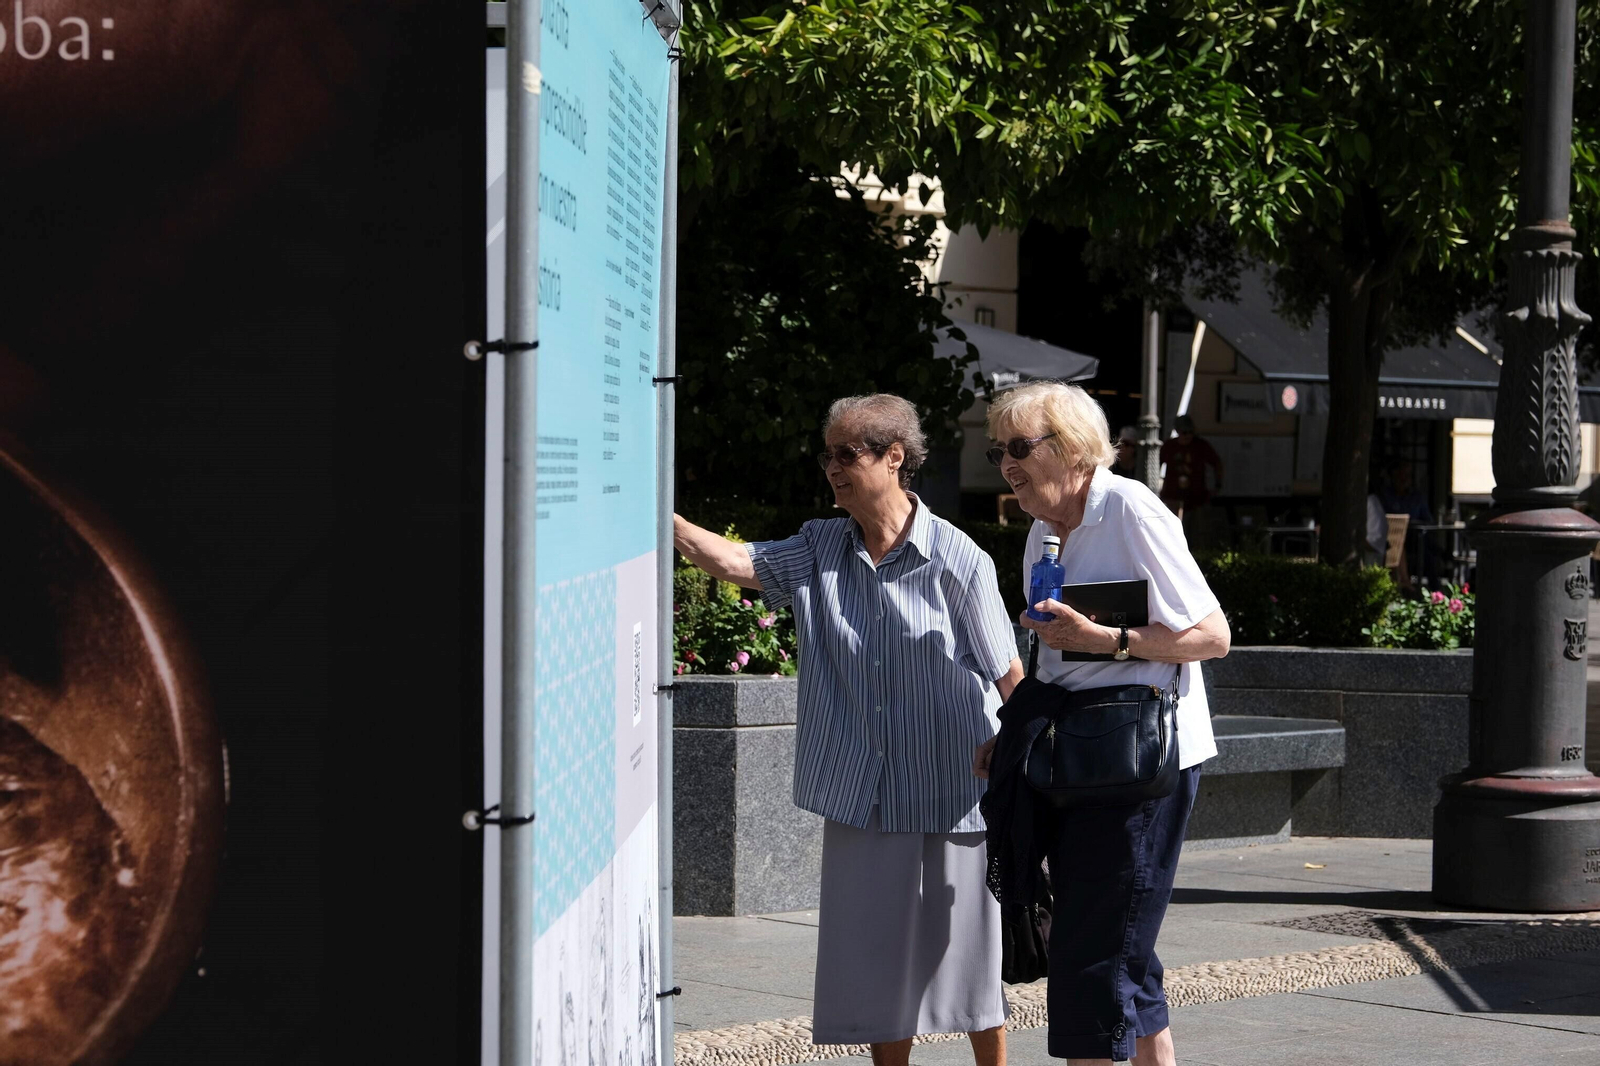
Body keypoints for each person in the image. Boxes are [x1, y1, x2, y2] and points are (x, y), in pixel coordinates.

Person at [673, 393, 1023, 1066]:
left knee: (971, 959)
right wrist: (668, 518)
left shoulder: (957, 558)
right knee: (874, 959)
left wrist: (1020, 747)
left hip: (953, 785)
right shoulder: (819, 545)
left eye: (847, 454)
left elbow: (1009, 675)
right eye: (827, 454)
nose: (831, 468)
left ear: (895, 458)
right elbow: (735, 563)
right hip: (863, 790)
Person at [973, 382, 1231, 1066]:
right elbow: (1056, 659)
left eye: (1020, 448)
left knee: (1094, 944)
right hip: (1077, 755)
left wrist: (1113, 641)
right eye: (1000, 450)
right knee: (1116, 934)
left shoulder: (1132, 511)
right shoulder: (1040, 532)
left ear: (1073, 448)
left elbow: (1211, 636)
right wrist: (1015, 736)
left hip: (1142, 762)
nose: (1007, 464)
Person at [1157, 415, 1223, 518]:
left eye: (1191, 432)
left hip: (1196, 498)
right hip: (1172, 497)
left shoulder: (1200, 445)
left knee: (1196, 529)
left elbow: (1217, 463)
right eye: (1184, 432)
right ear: (1178, 431)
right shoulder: (1169, 446)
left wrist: (1217, 485)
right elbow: (1156, 464)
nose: (1188, 436)